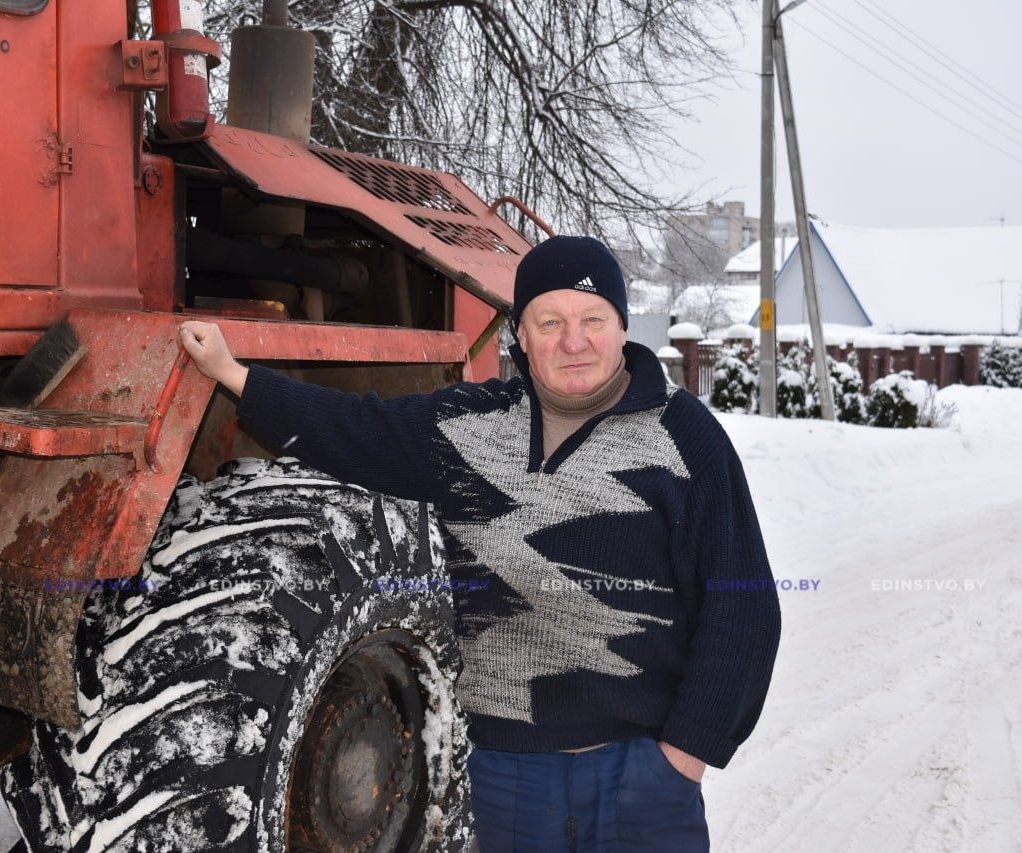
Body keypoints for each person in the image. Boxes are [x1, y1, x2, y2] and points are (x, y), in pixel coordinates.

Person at [178, 235, 781, 852]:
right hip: (508, 778)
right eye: (550, 322)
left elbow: (744, 607)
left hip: (639, 774)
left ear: (623, 328)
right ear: (521, 335)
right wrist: (231, 373)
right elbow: (354, 429)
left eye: (592, 319)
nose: (574, 341)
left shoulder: (684, 436)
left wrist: (683, 758)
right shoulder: (467, 427)